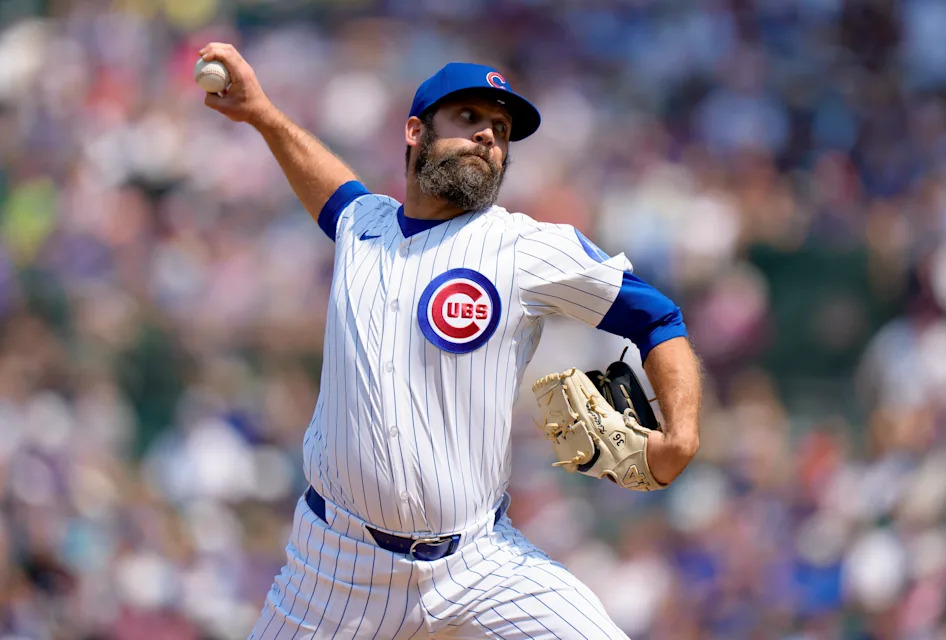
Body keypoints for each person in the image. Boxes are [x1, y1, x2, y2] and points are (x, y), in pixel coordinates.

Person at [198, 42, 702, 639]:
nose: (489, 136)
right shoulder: (364, 226)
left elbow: (658, 318)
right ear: (415, 131)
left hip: (482, 562)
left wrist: (682, 435)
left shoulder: (524, 248)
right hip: (336, 570)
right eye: (469, 118)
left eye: (502, 129)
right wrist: (261, 113)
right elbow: (329, 184)